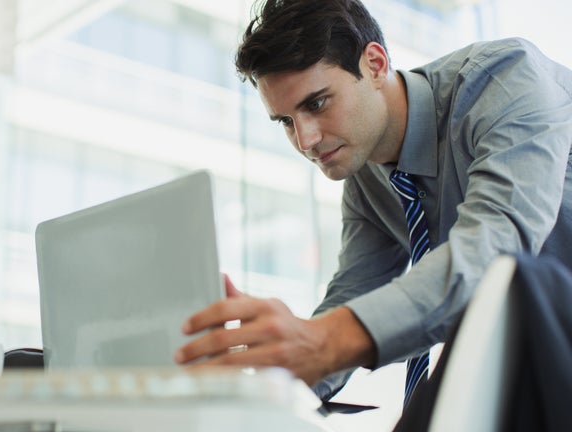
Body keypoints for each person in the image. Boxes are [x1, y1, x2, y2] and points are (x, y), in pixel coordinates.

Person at [174, 0, 572, 401]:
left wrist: (321, 342)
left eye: (317, 103)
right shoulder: (366, 176)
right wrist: (275, 373)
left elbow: (495, 249)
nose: (305, 141)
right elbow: (355, 293)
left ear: (375, 65)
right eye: (286, 122)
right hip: (537, 375)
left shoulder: (505, 79)